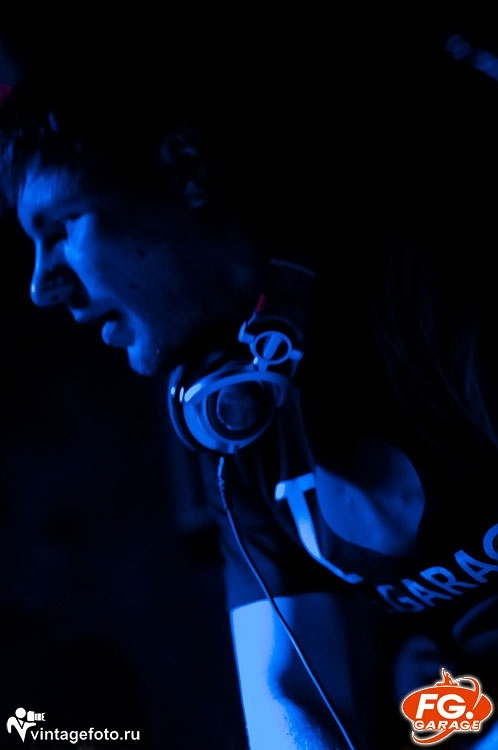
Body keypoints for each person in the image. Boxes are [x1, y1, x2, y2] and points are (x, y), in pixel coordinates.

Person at [2, 37, 498, 750]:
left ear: (186, 168)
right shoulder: (235, 416)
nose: (41, 286)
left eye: (61, 227)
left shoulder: (430, 277)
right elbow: (286, 697)